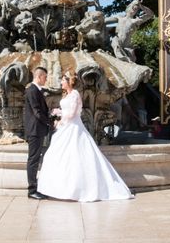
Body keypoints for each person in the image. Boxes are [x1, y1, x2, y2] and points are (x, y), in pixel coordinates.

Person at [37, 71, 134, 202]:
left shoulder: (75, 94)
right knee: (58, 156)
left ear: (69, 81)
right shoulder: (68, 94)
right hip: (67, 128)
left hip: (72, 128)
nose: (61, 82)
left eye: (63, 80)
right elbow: (69, 111)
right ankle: (59, 189)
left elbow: (72, 114)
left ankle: (77, 190)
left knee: (75, 157)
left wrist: (60, 121)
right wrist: (58, 111)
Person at [23, 66, 52, 200]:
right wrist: (49, 122)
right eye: (45, 77)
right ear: (39, 77)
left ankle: (36, 188)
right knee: (33, 159)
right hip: (35, 130)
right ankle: (32, 190)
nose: (46, 79)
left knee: (35, 158)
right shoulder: (32, 90)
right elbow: (37, 112)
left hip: (37, 129)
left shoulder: (35, 90)